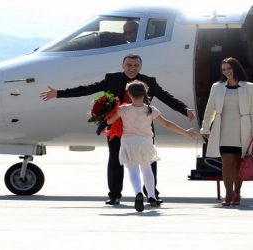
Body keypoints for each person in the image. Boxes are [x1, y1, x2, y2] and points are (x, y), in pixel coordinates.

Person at [39, 54, 195, 205]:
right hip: (116, 125)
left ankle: (151, 194)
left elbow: (166, 97)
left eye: (136, 65)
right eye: (129, 65)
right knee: (115, 159)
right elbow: (87, 89)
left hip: (142, 127)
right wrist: (59, 94)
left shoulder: (149, 81)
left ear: (140, 66)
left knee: (147, 161)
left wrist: (184, 109)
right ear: (123, 65)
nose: (132, 68)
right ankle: (114, 195)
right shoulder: (112, 79)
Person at [106, 80, 198, 212]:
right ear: (145, 94)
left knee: (132, 170)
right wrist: (186, 133)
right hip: (146, 142)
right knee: (146, 168)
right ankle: (152, 196)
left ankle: (138, 193)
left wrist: (107, 110)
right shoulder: (150, 110)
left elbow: (109, 121)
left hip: (128, 142)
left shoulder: (123, 109)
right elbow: (167, 124)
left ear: (129, 94)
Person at [200, 57, 253, 206]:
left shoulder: (249, 87)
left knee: (238, 163)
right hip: (223, 129)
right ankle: (228, 194)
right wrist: (205, 127)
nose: (226, 72)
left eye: (229, 68)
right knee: (226, 163)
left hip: (244, 130)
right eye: (223, 69)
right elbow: (210, 108)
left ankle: (237, 193)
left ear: (236, 68)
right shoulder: (217, 87)